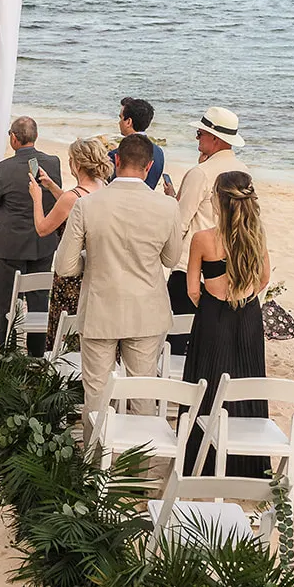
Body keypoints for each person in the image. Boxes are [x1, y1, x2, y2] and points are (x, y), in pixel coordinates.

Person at [54, 133, 182, 435]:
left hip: (101, 307)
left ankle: (95, 465)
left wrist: (93, 260)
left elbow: (65, 266)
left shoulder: (87, 205)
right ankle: (135, 468)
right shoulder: (167, 207)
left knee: (96, 393)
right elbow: (171, 258)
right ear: (150, 167)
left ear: (117, 160)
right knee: (142, 392)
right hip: (146, 310)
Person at [182, 171, 272, 479]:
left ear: (219, 200)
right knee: (247, 380)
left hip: (212, 316)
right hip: (248, 316)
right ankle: (247, 466)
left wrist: (210, 306)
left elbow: (193, 288)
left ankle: (201, 465)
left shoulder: (203, 239)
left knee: (206, 381)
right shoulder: (256, 236)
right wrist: (242, 299)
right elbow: (264, 279)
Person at [163, 106, 251, 356]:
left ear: (215, 138)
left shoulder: (200, 173)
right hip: (230, 263)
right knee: (217, 341)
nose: (197, 138)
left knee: (179, 339)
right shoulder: (243, 170)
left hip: (193, 264)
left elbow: (179, 223)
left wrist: (163, 257)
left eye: (200, 133)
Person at [0, 116, 62, 355]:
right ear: (35, 137)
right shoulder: (53, 162)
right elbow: (54, 198)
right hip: (43, 242)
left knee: (7, 301)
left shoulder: (2, 170)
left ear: (14, 138)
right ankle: (36, 352)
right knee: (39, 299)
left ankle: (7, 349)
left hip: (11, 245)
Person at [28, 137, 112, 346]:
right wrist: (53, 187)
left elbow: (42, 228)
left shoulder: (72, 198)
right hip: (98, 272)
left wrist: (37, 198)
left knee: (65, 335)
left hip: (71, 276)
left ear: (76, 164)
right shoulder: (105, 188)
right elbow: (75, 205)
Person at [109, 97, 165, 189]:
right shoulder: (159, 153)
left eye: (121, 118)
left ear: (128, 122)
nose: (119, 123)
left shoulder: (116, 154)